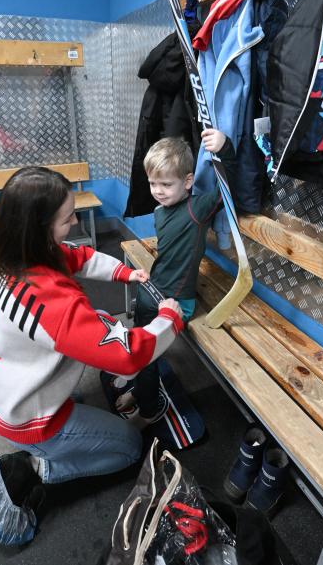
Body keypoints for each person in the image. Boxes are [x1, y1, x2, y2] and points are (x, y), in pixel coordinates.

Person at [0, 166, 184, 545]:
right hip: (29, 418)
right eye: (68, 219)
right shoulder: (50, 302)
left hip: (13, 392)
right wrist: (169, 320)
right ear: (40, 227)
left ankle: (52, 434)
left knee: (97, 322)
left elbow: (76, 256)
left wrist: (122, 273)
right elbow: (128, 355)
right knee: (130, 450)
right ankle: (36, 468)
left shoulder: (21, 257)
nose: (76, 222)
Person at [115, 130, 236, 426]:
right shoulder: (160, 211)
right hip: (153, 291)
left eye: (166, 184)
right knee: (135, 337)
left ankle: (149, 407)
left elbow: (227, 185)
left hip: (176, 302)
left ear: (188, 181)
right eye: (153, 183)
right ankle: (142, 385)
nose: (158, 190)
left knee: (145, 354)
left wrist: (226, 148)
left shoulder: (197, 209)